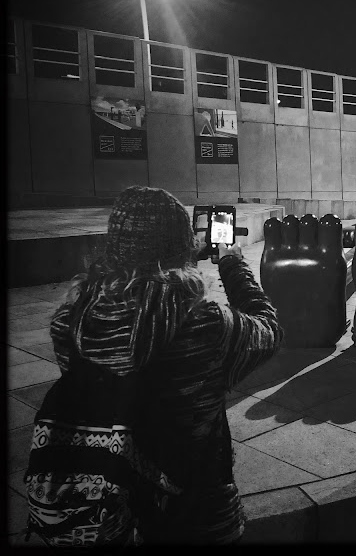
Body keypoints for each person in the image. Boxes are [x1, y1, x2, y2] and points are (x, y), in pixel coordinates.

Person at [48, 186, 283, 544]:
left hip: (110, 509)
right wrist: (232, 263)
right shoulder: (205, 326)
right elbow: (268, 329)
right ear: (183, 246)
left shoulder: (71, 323)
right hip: (198, 516)